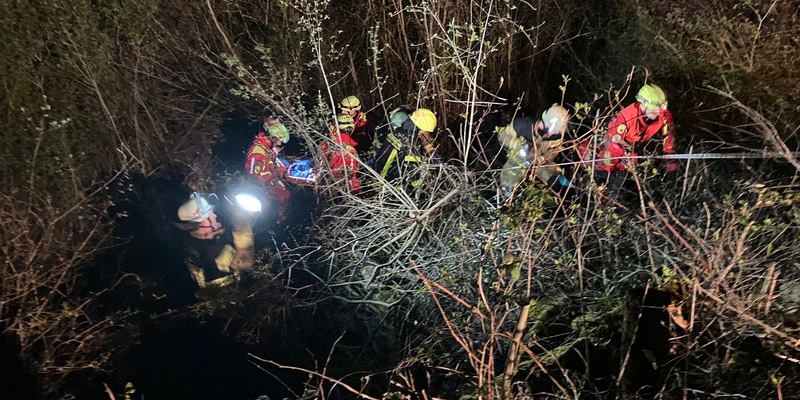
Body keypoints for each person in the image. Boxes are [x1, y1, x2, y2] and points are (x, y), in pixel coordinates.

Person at [579, 83, 677, 185]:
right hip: (609, 145)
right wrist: (625, 156)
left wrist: (669, 153)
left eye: (660, 108)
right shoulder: (627, 117)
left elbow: (668, 134)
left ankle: (618, 188)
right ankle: (599, 181)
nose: (658, 112)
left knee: (625, 175)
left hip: (632, 147)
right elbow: (613, 140)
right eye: (654, 109)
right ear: (643, 105)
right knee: (605, 168)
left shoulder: (663, 115)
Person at [175, 193, 254, 288]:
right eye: (210, 214)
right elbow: (245, 261)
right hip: (231, 288)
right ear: (203, 222)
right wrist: (242, 225)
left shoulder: (191, 239)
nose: (214, 215)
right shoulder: (214, 251)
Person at [495, 104, 571, 195]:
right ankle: (507, 192)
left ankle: (553, 198)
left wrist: (540, 160)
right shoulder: (523, 126)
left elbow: (553, 152)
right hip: (519, 159)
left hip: (538, 162)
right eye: (555, 130)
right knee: (512, 170)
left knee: (555, 178)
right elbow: (502, 136)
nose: (556, 132)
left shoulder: (557, 137)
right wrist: (517, 145)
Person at [373, 107, 438, 186]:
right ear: (421, 129)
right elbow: (413, 174)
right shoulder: (410, 143)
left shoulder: (398, 131)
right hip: (388, 185)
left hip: (376, 175)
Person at [245, 116, 292, 222]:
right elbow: (255, 177)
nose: (279, 143)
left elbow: (272, 164)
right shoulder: (258, 153)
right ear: (273, 137)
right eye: (279, 140)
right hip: (266, 196)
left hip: (273, 190)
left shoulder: (266, 148)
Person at [320, 113, 361, 191]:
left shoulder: (324, 143)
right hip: (338, 189)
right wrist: (357, 193)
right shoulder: (350, 152)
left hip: (323, 185)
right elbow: (351, 177)